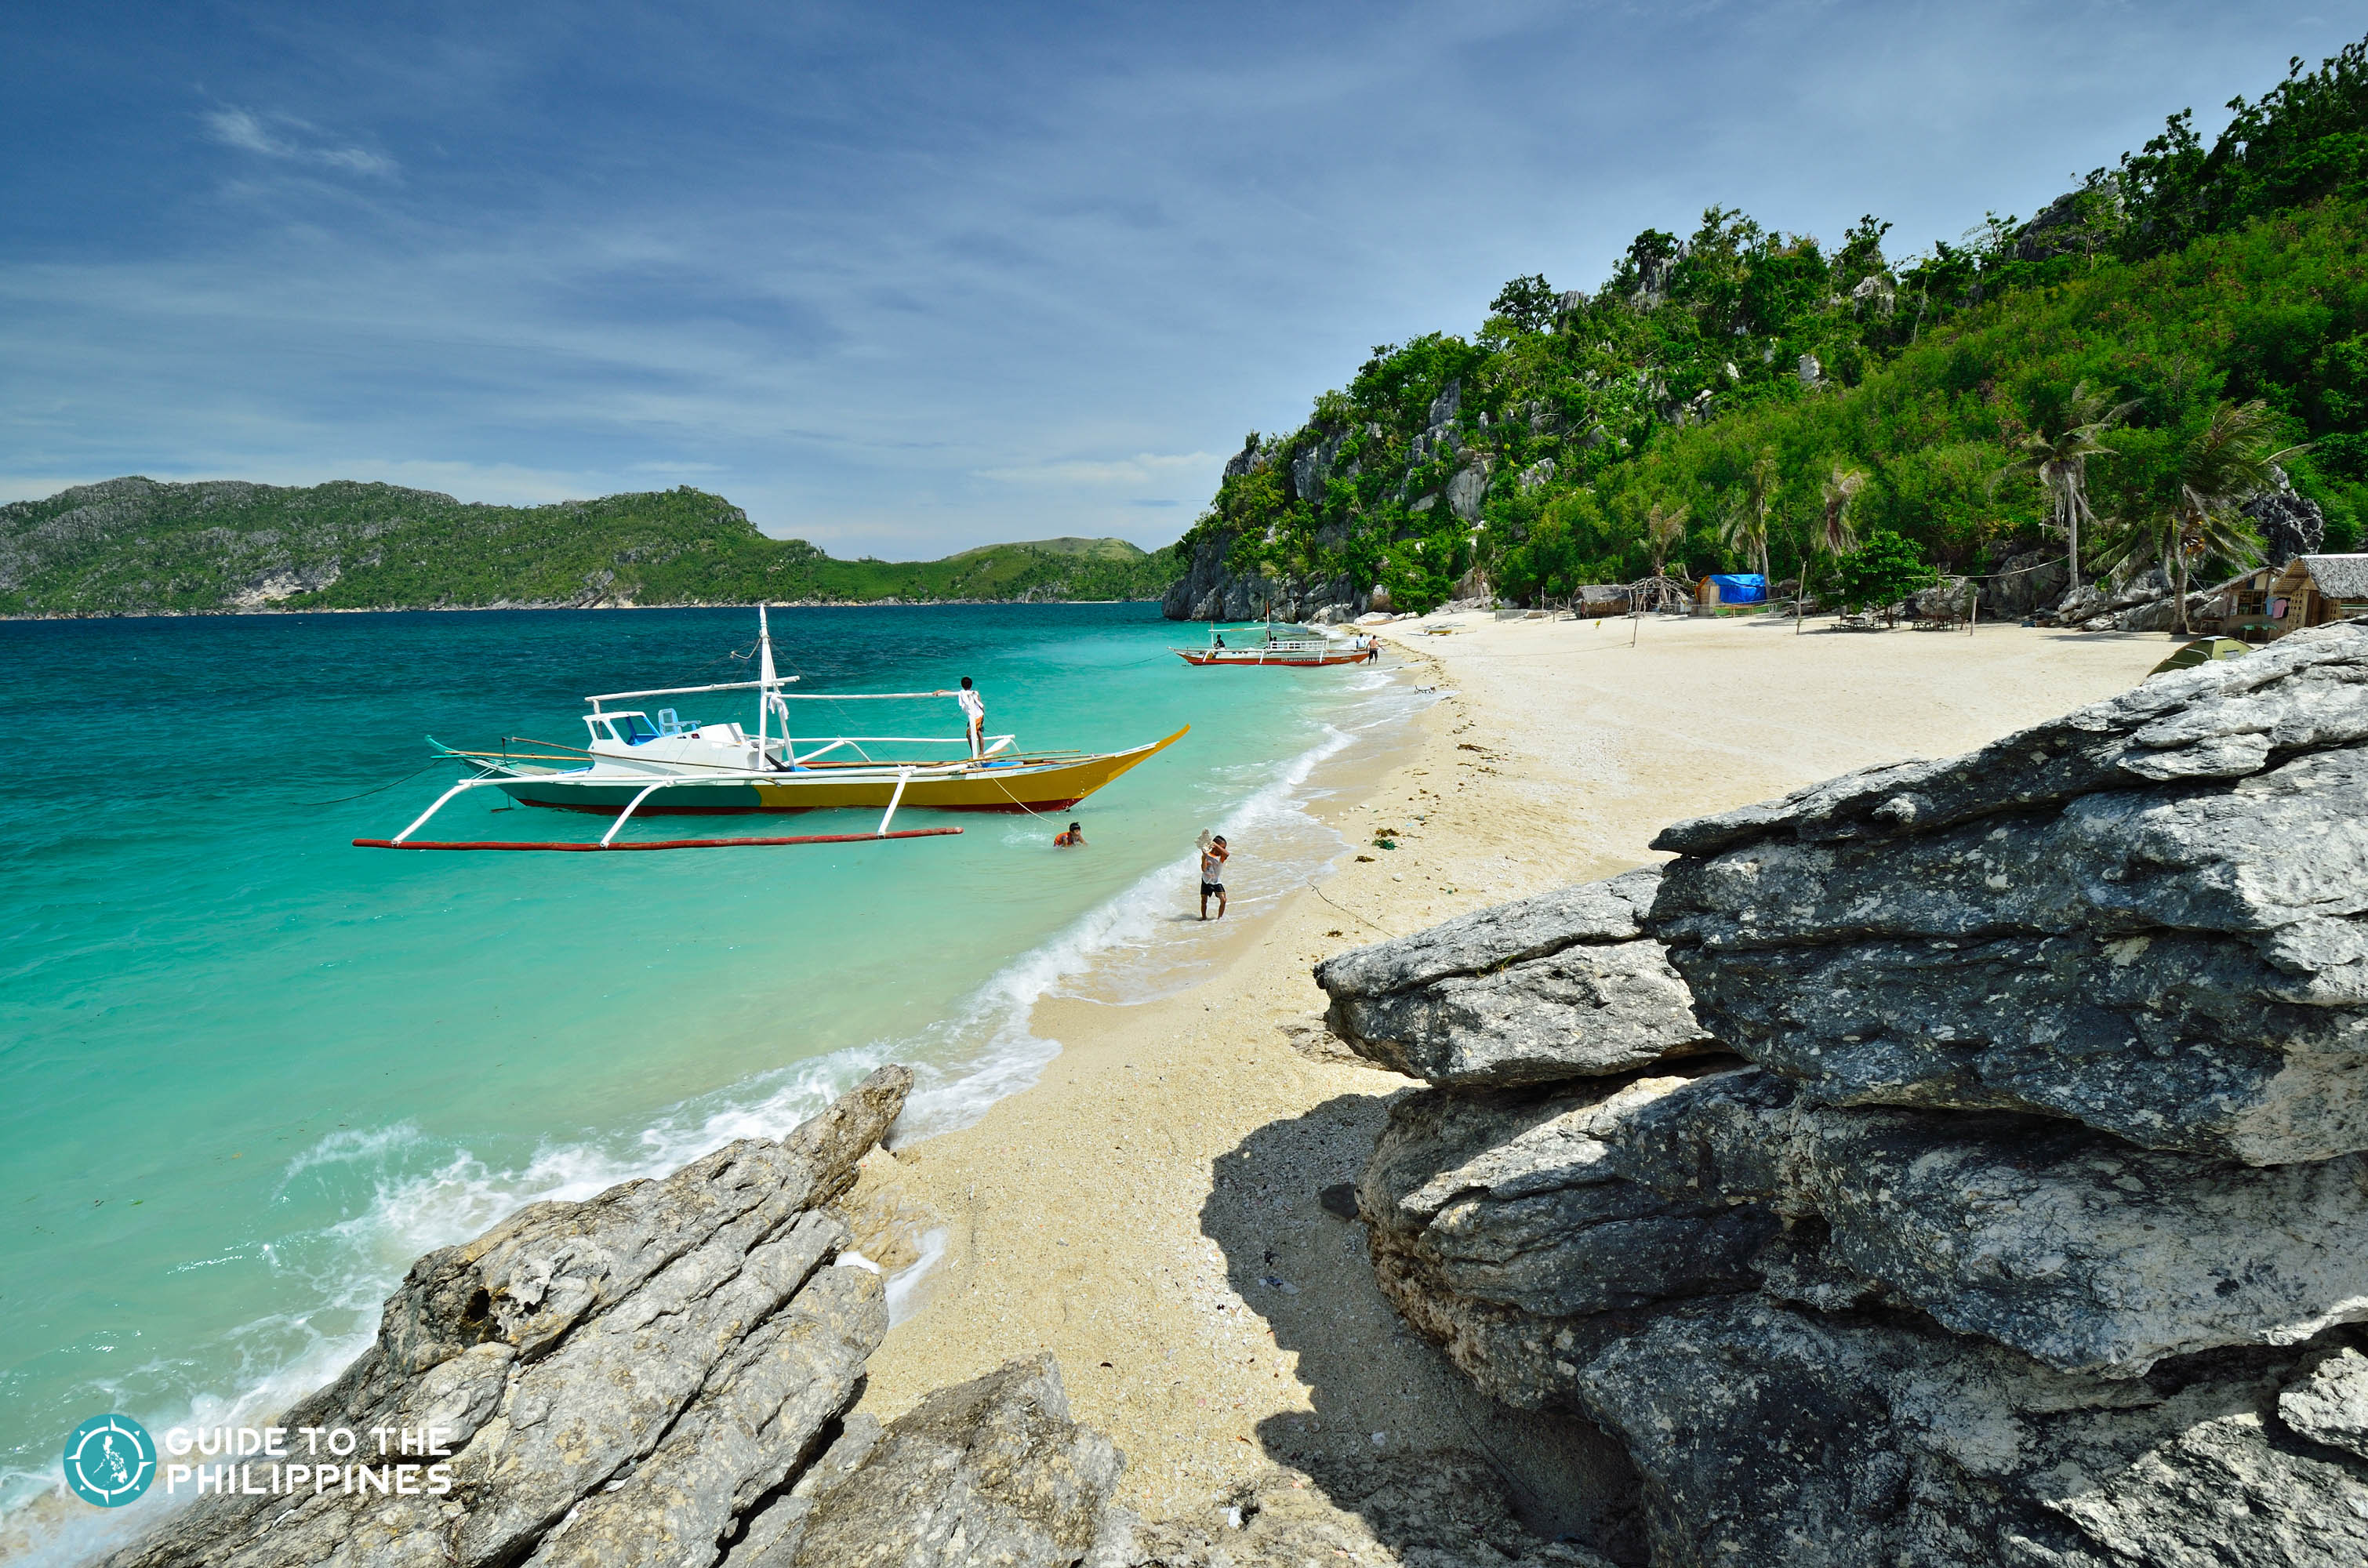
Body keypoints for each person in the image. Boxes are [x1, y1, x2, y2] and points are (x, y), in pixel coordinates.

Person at [1198, 833, 1229, 920]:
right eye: (1222, 847)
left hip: (1216, 881)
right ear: (1214, 847)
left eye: (1224, 848)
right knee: (1204, 901)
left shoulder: (1222, 856)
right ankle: (1204, 918)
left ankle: (1220, 919)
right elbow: (1203, 869)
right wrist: (1204, 857)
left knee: (1224, 900)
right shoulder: (1207, 856)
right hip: (1206, 880)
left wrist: (1215, 845)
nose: (1223, 850)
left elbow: (1227, 854)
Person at [956, 677, 985, 759]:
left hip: (976, 717)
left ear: (962, 685)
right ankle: (980, 752)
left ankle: (976, 753)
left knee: (969, 734)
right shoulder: (975, 693)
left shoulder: (964, 693)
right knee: (978, 732)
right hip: (979, 715)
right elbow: (980, 703)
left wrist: (941, 691)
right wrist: (983, 714)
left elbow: (952, 693)